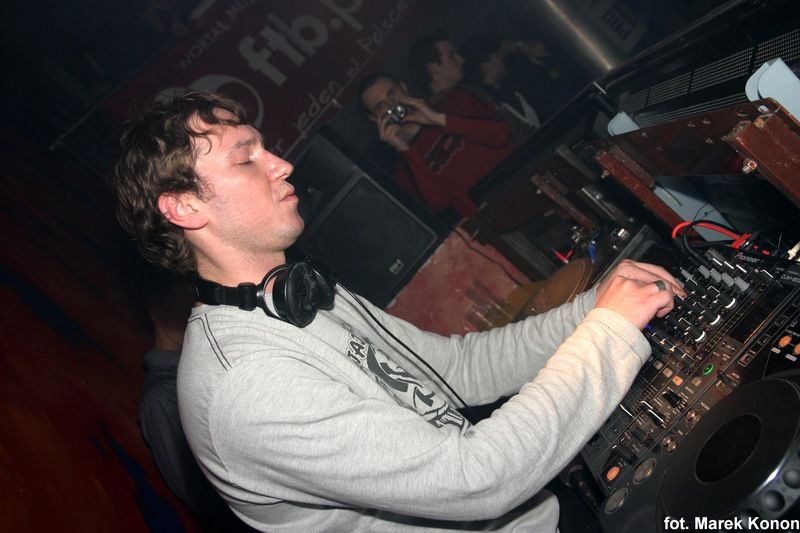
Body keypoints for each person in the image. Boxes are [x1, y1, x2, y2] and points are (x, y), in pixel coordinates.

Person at [110, 90, 684, 532]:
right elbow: (475, 479)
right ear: (184, 207)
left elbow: (460, 368)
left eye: (266, 147)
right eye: (246, 159)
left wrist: (590, 309)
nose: (281, 164)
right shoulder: (246, 383)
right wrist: (608, 332)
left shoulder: (297, 293)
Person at [138, 274, 248, 530]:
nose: (199, 310)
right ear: (158, 310)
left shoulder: (204, 369)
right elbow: (207, 501)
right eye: (188, 305)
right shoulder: (161, 399)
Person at [358, 72, 515, 218]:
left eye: (392, 93)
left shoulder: (455, 100)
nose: (391, 105)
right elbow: (441, 206)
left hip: (518, 182)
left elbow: (501, 135)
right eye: (380, 106)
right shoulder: (402, 171)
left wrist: (438, 119)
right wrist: (405, 149)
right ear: (375, 119)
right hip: (492, 219)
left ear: (404, 87)